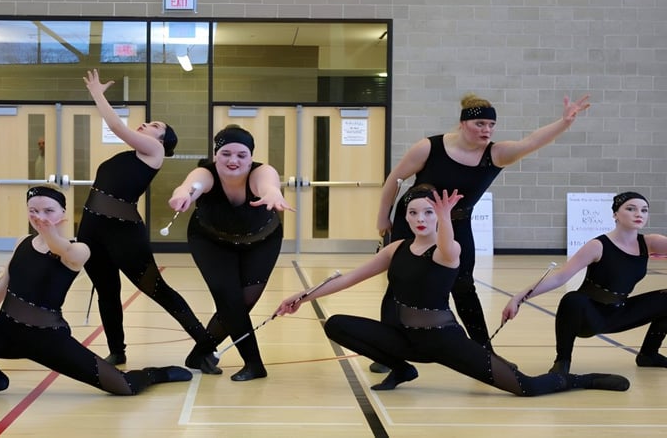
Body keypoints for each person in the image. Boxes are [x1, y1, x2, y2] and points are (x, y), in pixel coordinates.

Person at [276, 185, 630, 395]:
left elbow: (448, 246)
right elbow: (350, 278)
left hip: (444, 341)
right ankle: (401, 369)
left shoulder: (448, 251)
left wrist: (446, 217)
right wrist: (301, 297)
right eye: (414, 212)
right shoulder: (395, 249)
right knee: (336, 323)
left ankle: (576, 379)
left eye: (428, 213)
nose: (420, 219)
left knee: (526, 388)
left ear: (437, 218)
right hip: (403, 340)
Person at [370, 93, 591, 377]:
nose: (486, 130)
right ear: (463, 124)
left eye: (491, 125)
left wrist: (564, 122)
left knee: (463, 287)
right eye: (480, 124)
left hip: (457, 225)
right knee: (400, 285)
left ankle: (484, 353)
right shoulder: (429, 147)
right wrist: (382, 216)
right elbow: (395, 179)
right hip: (416, 223)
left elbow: (532, 141)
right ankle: (387, 352)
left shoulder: (496, 154)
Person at [0, 185, 191, 398]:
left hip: (48, 341)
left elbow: (63, 249)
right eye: (33, 211)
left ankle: (157, 374)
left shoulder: (78, 249)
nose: (39, 216)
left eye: (48, 211)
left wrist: (49, 233)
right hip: (4, 333)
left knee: (124, 387)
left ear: (63, 214)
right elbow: (7, 277)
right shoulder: (23, 241)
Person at [77, 69, 219, 372]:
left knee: (158, 290)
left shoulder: (154, 152)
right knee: (107, 291)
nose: (146, 125)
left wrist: (97, 94)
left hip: (123, 234)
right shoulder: (128, 156)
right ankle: (117, 352)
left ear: (162, 140)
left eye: (155, 126)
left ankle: (205, 347)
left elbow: (115, 125)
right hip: (91, 230)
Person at [168, 125, 293, 381]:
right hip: (210, 240)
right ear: (216, 154)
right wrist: (182, 194)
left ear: (250, 157)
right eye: (225, 153)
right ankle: (254, 364)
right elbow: (192, 185)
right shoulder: (206, 172)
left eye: (241, 155)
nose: (233, 161)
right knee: (230, 301)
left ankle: (199, 353)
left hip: (262, 240)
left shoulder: (262, 171)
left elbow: (268, 185)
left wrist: (273, 194)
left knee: (243, 303)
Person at [502, 191, 667, 374]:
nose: (639, 214)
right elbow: (559, 277)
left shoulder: (650, 242)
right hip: (590, 316)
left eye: (644, 210)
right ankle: (562, 361)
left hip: (620, 312)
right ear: (615, 214)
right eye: (630, 209)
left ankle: (649, 354)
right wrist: (518, 298)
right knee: (572, 299)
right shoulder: (598, 246)